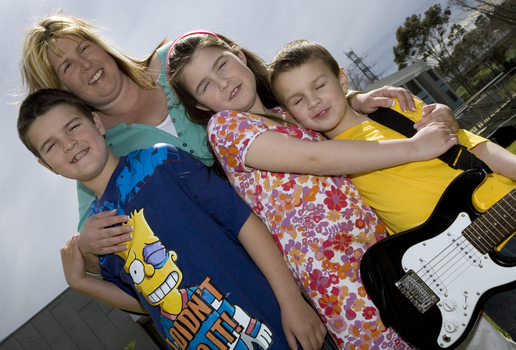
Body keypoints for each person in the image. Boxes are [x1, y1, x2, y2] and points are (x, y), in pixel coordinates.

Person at [21, 12, 430, 271]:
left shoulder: (177, 60)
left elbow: (278, 90)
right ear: (61, 91)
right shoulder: (97, 147)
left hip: (342, 202)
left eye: (84, 48)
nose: (86, 64)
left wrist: (352, 100)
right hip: (278, 258)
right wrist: (87, 248)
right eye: (67, 67)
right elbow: (93, 237)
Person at [166, 31, 461, 349]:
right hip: (339, 278)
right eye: (206, 85)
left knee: (446, 329)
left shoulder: (286, 114)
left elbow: (326, 111)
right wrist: (415, 148)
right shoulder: (225, 128)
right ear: (200, 104)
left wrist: (354, 98)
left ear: (238, 55)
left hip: (387, 249)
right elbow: (314, 157)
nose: (222, 82)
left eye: (222, 65)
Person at [17, 88, 332, 350]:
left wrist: (291, 301)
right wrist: (80, 282)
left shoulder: (160, 160)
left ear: (97, 122)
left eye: (72, 127)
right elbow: (147, 301)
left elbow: (243, 221)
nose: (68, 143)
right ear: (48, 166)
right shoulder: (99, 230)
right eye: (51, 145)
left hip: (277, 328)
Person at [268, 39, 516, 347]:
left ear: (342, 79)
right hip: (470, 274)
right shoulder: (325, 165)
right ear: (290, 115)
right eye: (297, 99)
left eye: (319, 85)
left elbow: (468, 145)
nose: (314, 102)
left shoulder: (394, 108)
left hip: (505, 209)